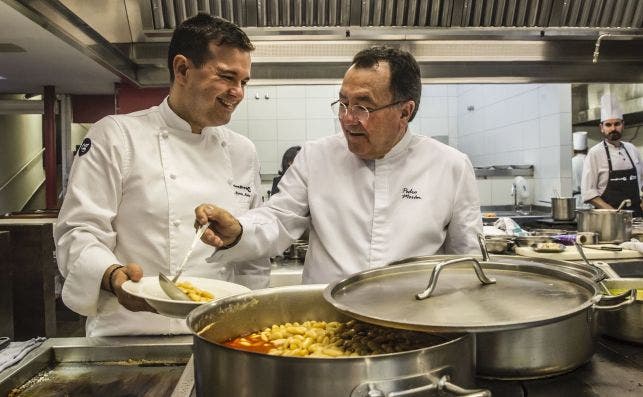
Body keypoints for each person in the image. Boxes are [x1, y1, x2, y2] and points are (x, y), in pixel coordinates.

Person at [54, 14, 270, 336]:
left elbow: (251, 255)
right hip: (127, 332)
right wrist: (113, 275)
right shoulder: (116, 136)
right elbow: (79, 230)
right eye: (227, 77)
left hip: (217, 334)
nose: (237, 92)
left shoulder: (242, 151)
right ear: (182, 69)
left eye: (244, 82)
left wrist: (252, 322)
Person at [194, 46, 482, 284]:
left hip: (416, 326)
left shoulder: (450, 166)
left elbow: (467, 261)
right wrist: (239, 231)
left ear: (405, 112)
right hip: (328, 327)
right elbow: (278, 219)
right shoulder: (316, 156)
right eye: (343, 103)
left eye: (363, 107)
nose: (347, 118)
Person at [581, 94, 643, 217]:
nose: (613, 128)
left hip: (637, 217)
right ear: (602, 128)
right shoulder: (595, 153)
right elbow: (588, 193)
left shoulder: (632, 149)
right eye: (608, 125)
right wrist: (615, 214)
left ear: (623, 124)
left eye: (617, 124)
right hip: (609, 219)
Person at [571, 131, 588, 208]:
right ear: (587, 149)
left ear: (573, 150)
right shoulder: (591, 161)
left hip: (575, 201)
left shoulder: (570, 162)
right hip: (591, 200)